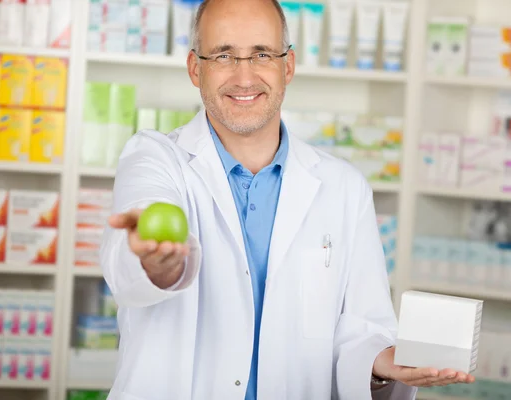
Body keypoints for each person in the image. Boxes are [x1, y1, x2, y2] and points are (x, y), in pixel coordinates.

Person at [100, 0, 475, 398]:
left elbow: (366, 326)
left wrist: (380, 362)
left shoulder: (344, 188)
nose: (244, 77)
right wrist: (160, 264)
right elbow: (128, 262)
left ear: (288, 66)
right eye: (224, 55)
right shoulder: (155, 159)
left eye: (262, 54)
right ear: (196, 68)